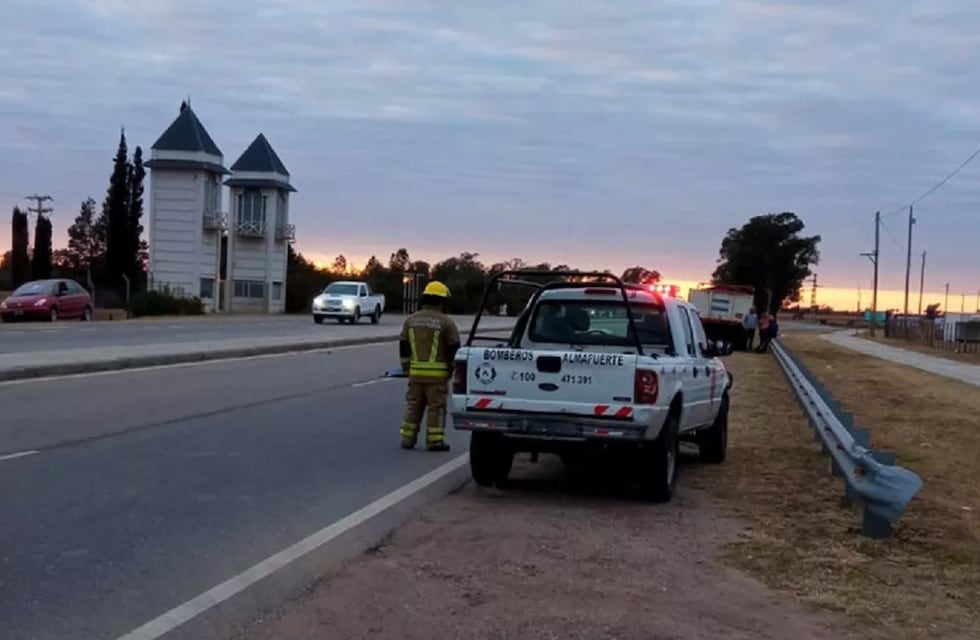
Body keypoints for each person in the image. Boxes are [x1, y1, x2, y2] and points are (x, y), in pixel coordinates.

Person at [398, 281, 460, 452]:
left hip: (415, 374)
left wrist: (406, 368)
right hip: (437, 376)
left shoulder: (410, 320)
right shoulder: (446, 322)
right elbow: (454, 348)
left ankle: (407, 439)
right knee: (436, 408)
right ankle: (434, 441)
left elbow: (404, 345)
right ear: (441, 301)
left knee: (413, 405)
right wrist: (451, 369)